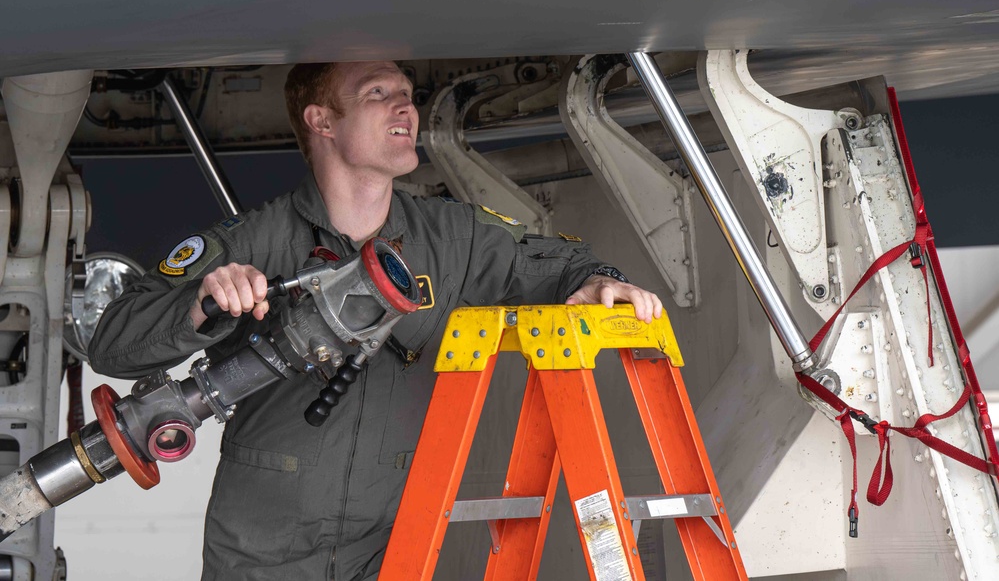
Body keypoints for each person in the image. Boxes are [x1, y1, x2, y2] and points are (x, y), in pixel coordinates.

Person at [89, 60, 663, 581]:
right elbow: (113, 343)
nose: (405, 107)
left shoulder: (452, 236)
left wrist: (597, 280)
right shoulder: (251, 241)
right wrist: (201, 303)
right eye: (378, 93)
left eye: (408, 94)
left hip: (396, 546)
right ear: (322, 120)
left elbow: (554, 262)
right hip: (262, 552)